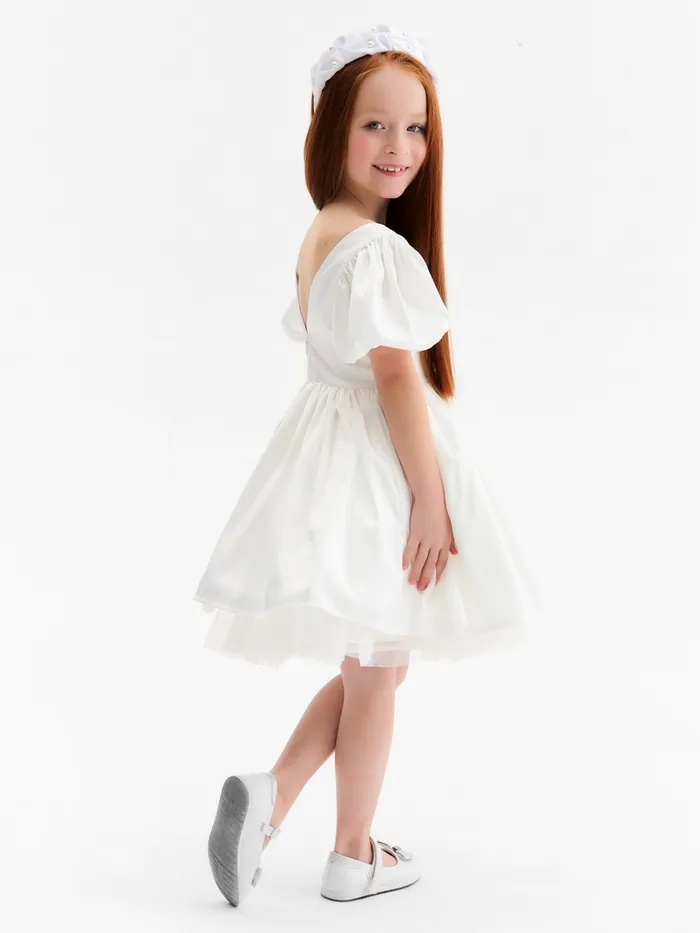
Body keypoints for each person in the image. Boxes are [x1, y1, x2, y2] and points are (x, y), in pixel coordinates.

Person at [194, 23, 542, 906]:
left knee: (372, 663)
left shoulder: (324, 233)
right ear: (330, 130)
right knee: (380, 667)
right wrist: (429, 496)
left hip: (327, 458)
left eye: (416, 128)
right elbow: (393, 375)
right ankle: (353, 853)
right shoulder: (374, 248)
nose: (400, 147)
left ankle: (273, 798)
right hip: (378, 468)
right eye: (375, 125)